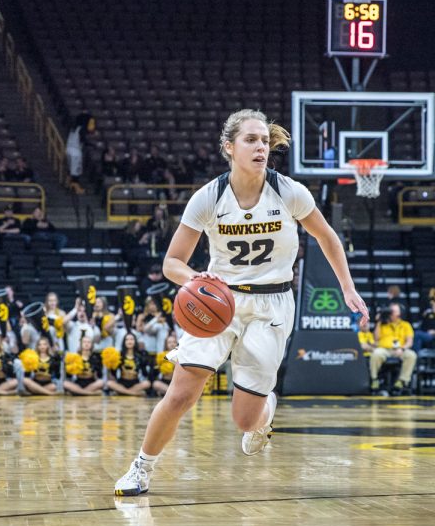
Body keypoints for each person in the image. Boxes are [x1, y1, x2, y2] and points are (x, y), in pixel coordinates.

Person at [113, 109, 368, 496]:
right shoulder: (209, 197)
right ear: (229, 147)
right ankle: (141, 468)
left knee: (244, 421)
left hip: (271, 305)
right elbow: (171, 263)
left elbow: (328, 238)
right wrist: (196, 279)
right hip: (219, 303)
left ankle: (265, 413)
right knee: (182, 392)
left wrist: (348, 288)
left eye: (265, 140)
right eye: (251, 139)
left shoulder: (289, 192)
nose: (261, 146)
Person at [369, 303, 417, 395]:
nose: (390, 312)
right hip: (384, 349)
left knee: (411, 355)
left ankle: (402, 381)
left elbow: (409, 342)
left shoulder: (406, 325)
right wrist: (379, 321)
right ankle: (374, 379)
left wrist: (402, 349)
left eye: (393, 311)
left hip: (400, 350)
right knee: (376, 353)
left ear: (399, 314)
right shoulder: (382, 324)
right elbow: (375, 338)